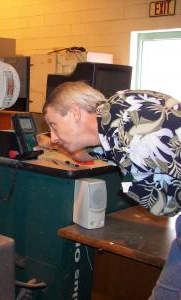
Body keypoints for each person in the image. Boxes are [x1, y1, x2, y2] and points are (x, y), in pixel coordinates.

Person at [39, 81, 181, 299]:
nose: (54, 135)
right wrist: (53, 144)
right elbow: (90, 154)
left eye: (53, 124)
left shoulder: (134, 140)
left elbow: (164, 207)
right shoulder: (117, 110)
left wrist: (128, 180)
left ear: (75, 112)